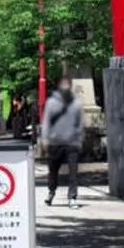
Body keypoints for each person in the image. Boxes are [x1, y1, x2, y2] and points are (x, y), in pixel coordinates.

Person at [41, 78, 84, 208]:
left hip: (71, 142)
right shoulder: (51, 102)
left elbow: (80, 123)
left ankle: (72, 197)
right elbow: (46, 122)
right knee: (53, 170)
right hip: (55, 141)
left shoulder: (76, 103)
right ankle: (51, 191)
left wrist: (79, 139)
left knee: (73, 171)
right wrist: (45, 139)